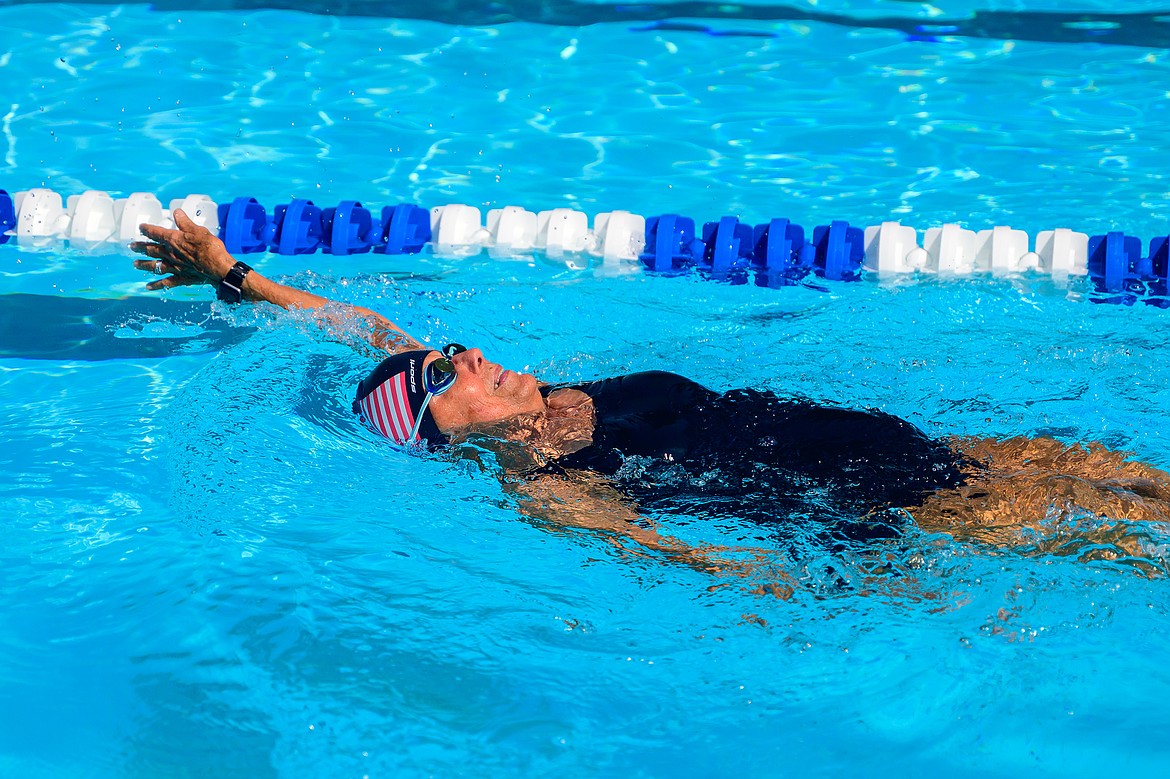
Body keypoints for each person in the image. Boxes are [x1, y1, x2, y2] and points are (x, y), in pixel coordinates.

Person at [132, 211, 1170, 579]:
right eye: (450, 379)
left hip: (885, 437)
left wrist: (239, 280)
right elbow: (663, 551)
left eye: (452, 351)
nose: (469, 357)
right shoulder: (543, 481)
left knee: (1126, 477)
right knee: (1102, 533)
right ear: (446, 434)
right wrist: (744, 570)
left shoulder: (530, 396)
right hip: (886, 505)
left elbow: (367, 333)